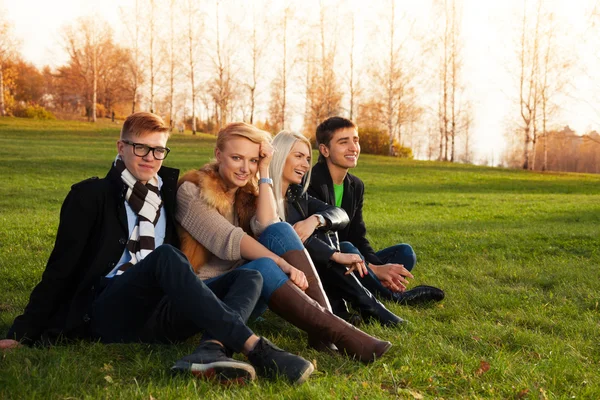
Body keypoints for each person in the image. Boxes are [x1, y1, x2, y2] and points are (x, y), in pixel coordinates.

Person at [0, 112, 313, 385]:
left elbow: (259, 220)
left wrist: (261, 172)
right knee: (165, 256)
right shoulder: (91, 196)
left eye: (159, 150)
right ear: (121, 147)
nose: (150, 157)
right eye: (141, 148)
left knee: (251, 276)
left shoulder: (167, 194)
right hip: (109, 310)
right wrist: (21, 332)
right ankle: (257, 348)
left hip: (162, 311)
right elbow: (60, 269)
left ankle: (210, 350)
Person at [176, 122, 392, 363]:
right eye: (237, 158)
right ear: (218, 154)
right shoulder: (192, 190)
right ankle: (339, 332)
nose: (245, 168)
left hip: (247, 292)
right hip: (206, 295)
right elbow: (229, 241)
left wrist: (265, 171)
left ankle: (324, 332)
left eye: (253, 160)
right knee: (264, 266)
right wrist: (283, 263)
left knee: (280, 229)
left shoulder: (246, 191)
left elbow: (269, 226)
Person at [268, 130, 404, 327]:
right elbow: (283, 238)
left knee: (341, 241)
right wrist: (334, 255)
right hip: (283, 271)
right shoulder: (263, 196)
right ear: (279, 155)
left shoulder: (296, 195)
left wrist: (316, 219)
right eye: (298, 156)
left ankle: (348, 307)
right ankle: (367, 305)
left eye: (307, 158)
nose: (305, 165)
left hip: (314, 267)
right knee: (341, 248)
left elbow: (340, 214)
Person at [308, 116, 445, 307]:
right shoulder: (312, 182)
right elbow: (320, 243)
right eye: (343, 142)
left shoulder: (356, 186)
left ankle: (369, 287)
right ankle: (392, 297)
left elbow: (358, 236)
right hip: (326, 263)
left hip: (354, 261)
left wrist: (378, 267)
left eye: (355, 140)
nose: (353, 147)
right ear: (324, 149)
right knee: (347, 247)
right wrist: (373, 268)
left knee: (405, 252)